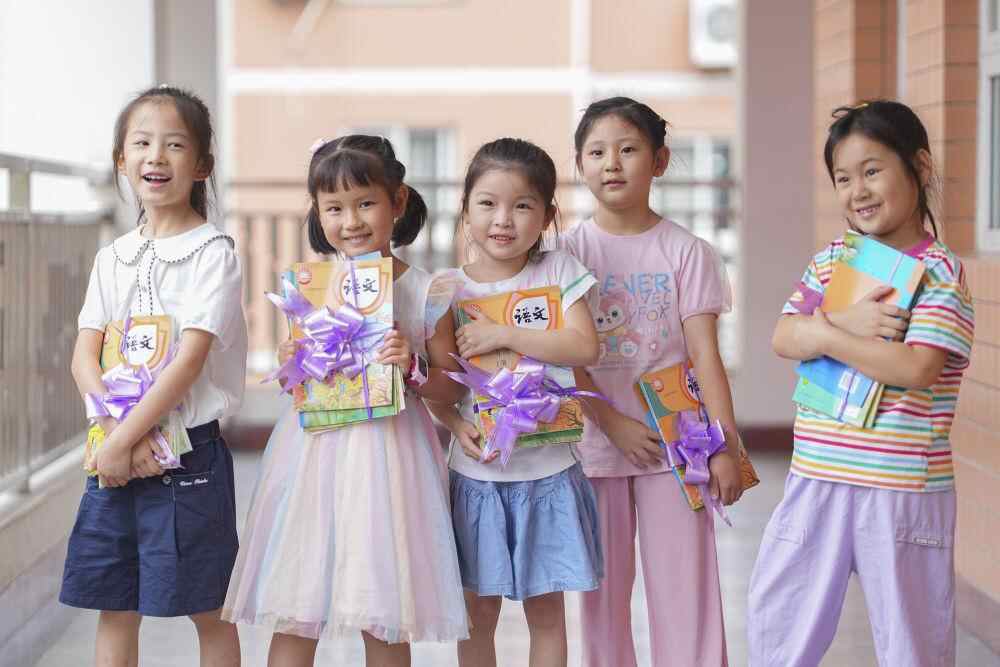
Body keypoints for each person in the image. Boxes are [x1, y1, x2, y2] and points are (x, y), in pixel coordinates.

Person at [221, 135, 469, 667]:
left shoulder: (428, 291)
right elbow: (300, 385)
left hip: (392, 457)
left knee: (384, 613)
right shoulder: (312, 288)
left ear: (397, 201)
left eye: (365, 203)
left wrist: (413, 366)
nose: (351, 221)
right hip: (313, 454)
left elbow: (453, 388)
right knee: (297, 606)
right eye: (334, 208)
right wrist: (293, 361)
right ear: (318, 212)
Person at [747, 100, 976, 666]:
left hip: (901, 489)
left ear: (919, 167)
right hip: (816, 476)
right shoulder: (831, 262)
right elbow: (784, 335)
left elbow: (917, 368)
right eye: (843, 178)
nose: (857, 191)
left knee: (912, 642)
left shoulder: (939, 272)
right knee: (779, 626)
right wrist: (842, 326)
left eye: (872, 171)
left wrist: (826, 333)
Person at [60, 85, 246, 667]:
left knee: (209, 609)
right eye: (141, 143)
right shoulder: (111, 256)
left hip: (189, 458)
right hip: (114, 452)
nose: (156, 156)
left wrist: (123, 440)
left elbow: (189, 361)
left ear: (202, 165)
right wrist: (116, 435)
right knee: (115, 606)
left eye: (174, 145)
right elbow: (84, 354)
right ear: (122, 160)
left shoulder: (213, 252)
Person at [563, 96, 742, 667]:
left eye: (628, 149)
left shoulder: (688, 252)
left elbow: (705, 354)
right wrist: (608, 420)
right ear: (580, 164)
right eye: (597, 152)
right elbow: (562, 357)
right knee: (600, 602)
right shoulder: (565, 253)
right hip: (595, 447)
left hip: (678, 447)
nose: (611, 163)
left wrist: (724, 446)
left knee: (687, 594)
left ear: (659, 161)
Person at [429, 137, 603, 667]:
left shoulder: (558, 270)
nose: (503, 219)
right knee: (476, 615)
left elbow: (584, 346)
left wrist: (504, 333)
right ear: (465, 209)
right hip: (477, 477)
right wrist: (452, 422)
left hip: (549, 473)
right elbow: (442, 382)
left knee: (546, 613)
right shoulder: (446, 289)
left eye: (522, 205)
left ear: (547, 215)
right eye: (488, 203)